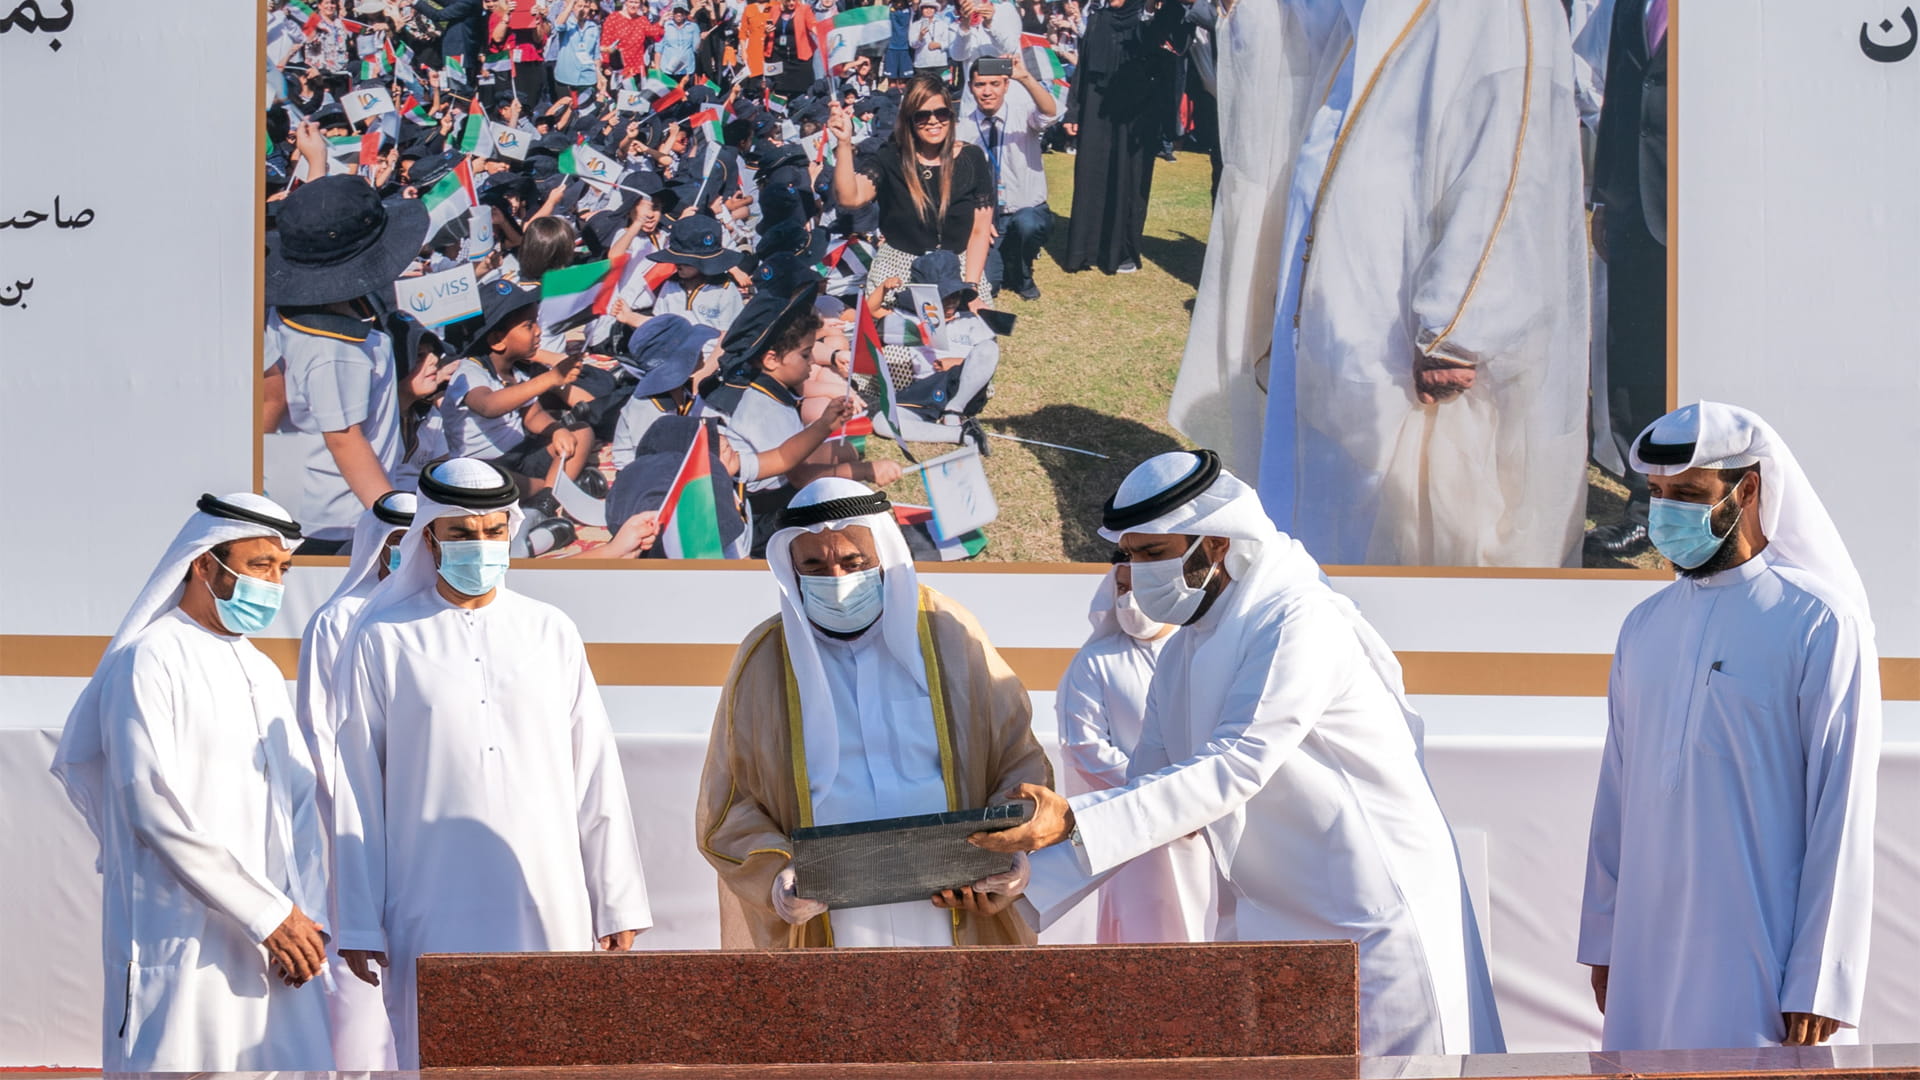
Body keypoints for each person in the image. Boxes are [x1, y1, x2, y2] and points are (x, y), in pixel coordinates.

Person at [978, 451, 1504, 1056]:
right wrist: (1024, 880)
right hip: (1268, 920)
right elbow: (1150, 786)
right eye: (1128, 556)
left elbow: (1239, 761)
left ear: (1216, 545)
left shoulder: (1297, 617)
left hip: (1370, 913)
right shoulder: (1182, 653)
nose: (1138, 572)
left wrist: (1070, 819)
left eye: (1155, 555)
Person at [1166, 0, 1588, 568]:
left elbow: (1510, 166)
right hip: (1342, 298)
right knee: (1327, 481)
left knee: (1408, 504)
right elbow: (1305, 34)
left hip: (1413, 314)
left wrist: (1459, 326)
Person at [329, 458, 654, 1067]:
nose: (479, 545)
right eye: (460, 532)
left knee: (552, 1051)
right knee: (441, 1054)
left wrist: (615, 899)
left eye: (491, 530)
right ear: (430, 536)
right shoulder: (384, 636)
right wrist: (358, 921)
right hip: (427, 897)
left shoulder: (550, 630)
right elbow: (356, 788)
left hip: (548, 896)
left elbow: (594, 773)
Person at [1578, 402, 1880, 1051]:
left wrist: (1819, 979)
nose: (1666, 514)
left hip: (1760, 961)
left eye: (1688, 495)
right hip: (1646, 958)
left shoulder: (1819, 621)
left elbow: (1843, 808)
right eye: (1657, 495)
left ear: (1747, 489)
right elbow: (1617, 798)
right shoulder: (1645, 627)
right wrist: (1604, 942)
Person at [695, 478, 1051, 947]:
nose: (837, 580)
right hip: (830, 921)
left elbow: (1016, 757)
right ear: (791, 568)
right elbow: (729, 806)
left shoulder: (949, 634)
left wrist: (1013, 844)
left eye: (853, 561)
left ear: (884, 553)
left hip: (952, 907)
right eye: (815, 565)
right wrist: (777, 876)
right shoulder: (763, 660)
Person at [50, 493, 333, 1071]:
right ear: (205, 563)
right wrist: (266, 914)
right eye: (260, 566)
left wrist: (300, 911)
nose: (274, 583)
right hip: (180, 936)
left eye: (283, 570)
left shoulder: (258, 666)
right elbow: (151, 806)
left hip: (278, 944)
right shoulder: (149, 658)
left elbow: (297, 804)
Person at [292, 491, 414, 1069]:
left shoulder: (426, 614)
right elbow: (321, 730)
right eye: (394, 541)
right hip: (355, 823)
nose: (405, 552)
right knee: (361, 965)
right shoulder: (337, 619)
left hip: (417, 823)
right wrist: (355, 808)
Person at [264, 175, 429, 553]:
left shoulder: (293, 315)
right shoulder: (332, 350)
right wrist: (396, 524)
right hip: (343, 521)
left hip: (340, 506)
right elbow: (344, 440)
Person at [1056, 565, 1214, 943]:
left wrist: (1194, 802)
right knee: (1143, 935)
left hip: (1206, 820)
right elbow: (1084, 747)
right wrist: (1155, 799)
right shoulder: (1094, 661)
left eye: (1137, 586)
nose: (1128, 598)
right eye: (1121, 587)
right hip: (1133, 826)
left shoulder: (1200, 649)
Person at [1585, 0, 1669, 559]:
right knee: (1633, 362)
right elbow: (1619, 92)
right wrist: (1604, 197)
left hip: (1711, 199)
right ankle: (1646, 506)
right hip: (1635, 205)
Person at [440, 280, 598, 500]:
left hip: (522, 454)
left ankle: (549, 496)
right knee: (497, 483)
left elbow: (532, 415)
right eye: (528, 325)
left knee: (580, 432)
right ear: (497, 340)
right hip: (486, 467)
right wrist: (551, 378)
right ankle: (553, 494)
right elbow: (489, 405)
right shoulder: (468, 372)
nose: (538, 331)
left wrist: (555, 430)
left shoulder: (516, 372)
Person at [1058, 0, 1185, 275]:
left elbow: (1162, 37)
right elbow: (1083, 69)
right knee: (1092, 176)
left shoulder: (1148, 21)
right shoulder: (1098, 20)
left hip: (1136, 116)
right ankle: (1085, 250)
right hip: (1096, 112)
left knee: (1127, 179)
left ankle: (1121, 251)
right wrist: (1073, 112)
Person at [956, 53, 1058, 302]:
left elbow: (1050, 113)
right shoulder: (963, 128)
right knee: (987, 287)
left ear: (1006, 85)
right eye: (980, 85)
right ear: (971, 87)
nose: (987, 91)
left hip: (1027, 210)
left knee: (1027, 224)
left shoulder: (1023, 115)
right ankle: (1005, 259)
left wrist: (1025, 76)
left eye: (995, 84)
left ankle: (1022, 273)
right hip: (989, 219)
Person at [602, 0, 664, 79]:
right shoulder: (613, 18)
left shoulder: (642, 20)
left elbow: (655, 34)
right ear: (626, 2)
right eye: (631, 2)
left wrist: (662, 21)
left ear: (640, 4)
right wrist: (606, 65)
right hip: (618, 69)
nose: (633, 5)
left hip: (636, 69)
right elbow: (605, 42)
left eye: (636, 2)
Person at [909, 0, 955, 79]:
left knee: (945, 85)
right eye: (926, 8)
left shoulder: (943, 25)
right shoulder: (915, 25)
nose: (929, 10)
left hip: (941, 64)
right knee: (923, 87)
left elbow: (950, 42)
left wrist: (939, 45)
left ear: (935, 10)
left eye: (931, 8)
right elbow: (912, 44)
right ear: (921, 10)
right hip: (922, 64)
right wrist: (920, 36)